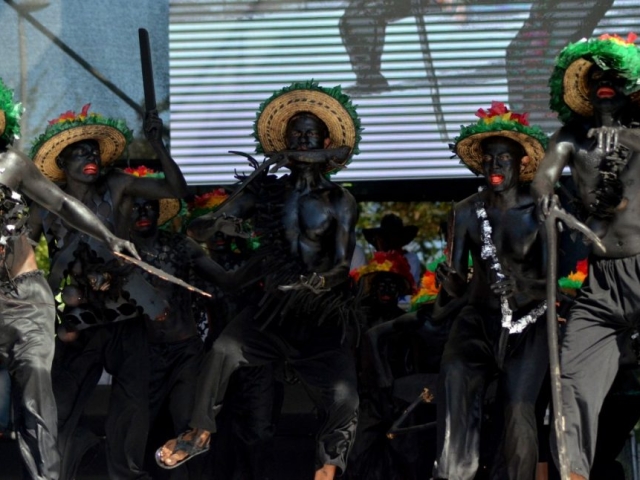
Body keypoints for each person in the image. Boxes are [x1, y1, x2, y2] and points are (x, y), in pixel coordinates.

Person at [156, 80, 363, 480]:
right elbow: (199, 230)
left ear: (326, 141)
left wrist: (315, 285)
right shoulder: (267, 192)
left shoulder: (340, 200)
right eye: (295, 134)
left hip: (321, 313)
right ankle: (198, 433)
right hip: (271, 311)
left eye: (311, 134)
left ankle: (328, 467)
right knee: (224, 350)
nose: (303, 140)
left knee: (345, 397)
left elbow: (340, 266)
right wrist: (215, 219)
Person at [27, 104, 187, 480]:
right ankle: (59, 467)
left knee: (132, 406)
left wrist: (158, 145)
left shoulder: (118, 185)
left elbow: (177, 190)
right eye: (80, 153)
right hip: (78, 318)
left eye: (94, 151)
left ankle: (125, 475)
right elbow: (22, 260)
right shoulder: (44, 207)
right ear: (62, 164)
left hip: (126, 309)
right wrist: (45, 309)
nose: (91, 158)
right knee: (61, 404)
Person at [0, 78, 137, 480]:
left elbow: (60, 201)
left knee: (36, 391)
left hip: (24, 299)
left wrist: (109, 236)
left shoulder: (11, 164)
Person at [530, 33, 640, 480]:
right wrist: (547, 201)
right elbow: (544, 179)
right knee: (571, 381)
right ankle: (574, 474)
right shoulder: (570, 137)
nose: (604, 84)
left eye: (613, 76)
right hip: (600, 283)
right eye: (594, 78)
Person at [433, 101, 549, 480]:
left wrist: (522, 286)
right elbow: (457, 278)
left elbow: (554, 281)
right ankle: (454, 473)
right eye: (488, 158)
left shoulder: (541, 210)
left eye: (504, 158)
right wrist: (448, 283)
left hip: (529, 323)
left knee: (518, 410)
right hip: (478, 321)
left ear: (522, 164)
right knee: (454, 375)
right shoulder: (466, 211)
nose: (495, 165)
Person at [362, 213, 422, 285]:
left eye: (393, 237)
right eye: (385, 237)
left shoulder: (411, 258)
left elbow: (409, 287)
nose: (388, 241)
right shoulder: (375, 263)